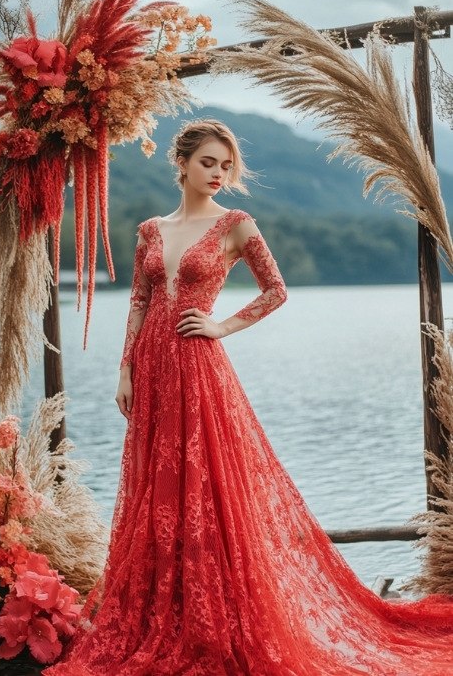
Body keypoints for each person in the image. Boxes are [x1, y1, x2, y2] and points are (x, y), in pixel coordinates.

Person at [45, 119, 453, 676]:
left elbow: (276, 289)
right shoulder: (149, 230)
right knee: (156, 492)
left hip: (199, 369)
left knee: (209, 489)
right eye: (208, 162)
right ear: (182, 162)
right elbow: (138, 299)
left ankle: (214, 617)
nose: (218, 173)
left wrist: (220, 326)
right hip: (153, 373)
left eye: (225, 165)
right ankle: (169, 612)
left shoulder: (236, 224)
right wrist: (125, 370)